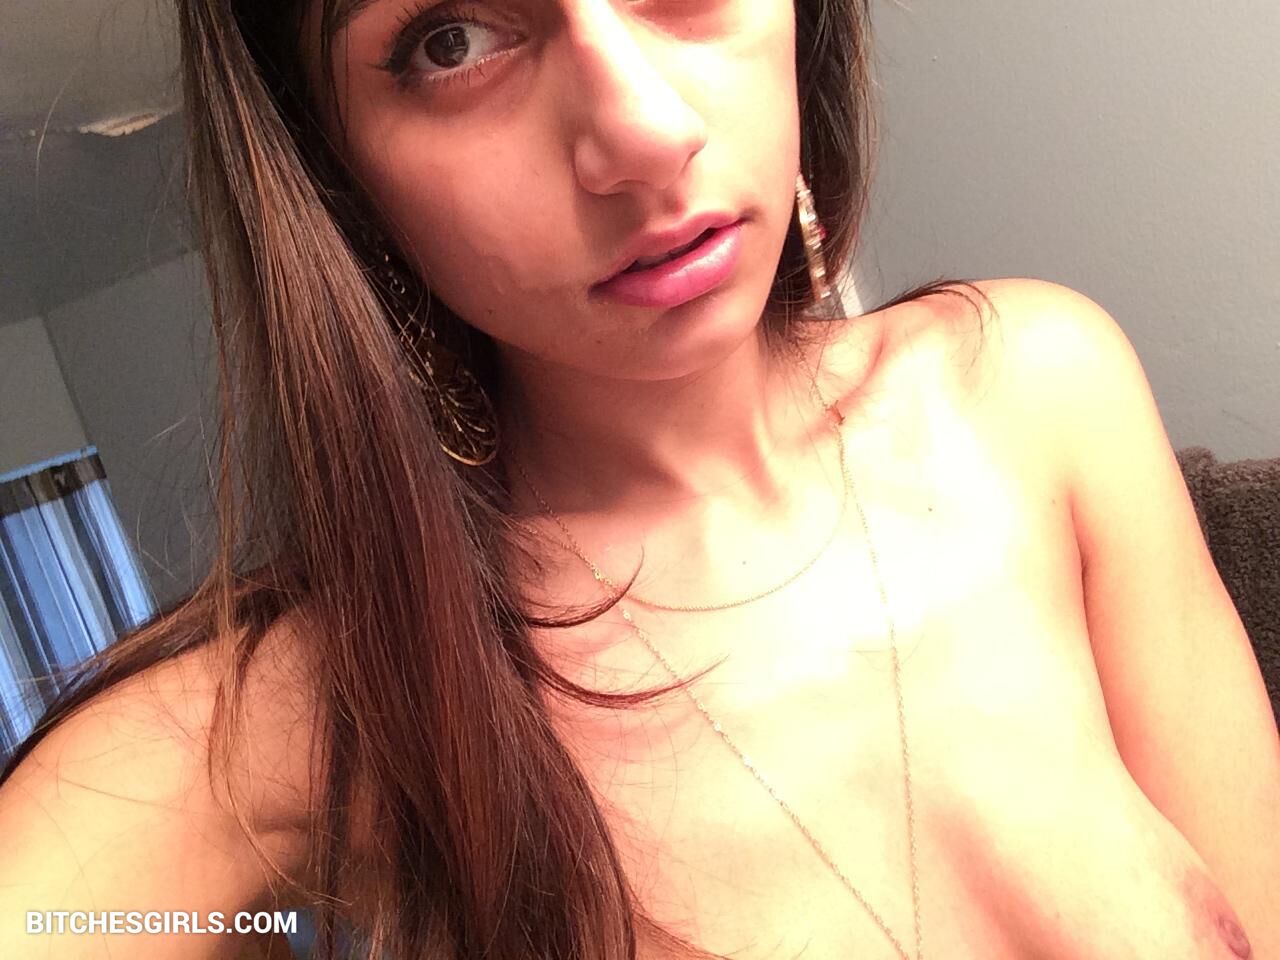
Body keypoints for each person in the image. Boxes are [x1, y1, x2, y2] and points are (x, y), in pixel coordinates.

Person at [1, 0, 1277, 958]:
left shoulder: (1039, 386)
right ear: (338, 167)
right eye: (450, 40)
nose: (647, 134)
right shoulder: (333, 699)